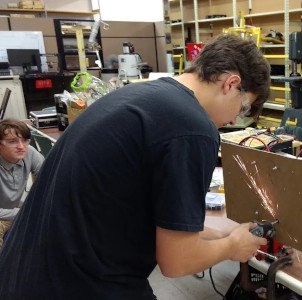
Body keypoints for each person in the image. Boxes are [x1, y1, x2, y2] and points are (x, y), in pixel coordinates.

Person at [0, 34, 271, 299]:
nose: (237, 117)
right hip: (76, 283)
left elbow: (140, 215)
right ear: (231, 84)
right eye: (244, 107)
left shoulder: (142, 95)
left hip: (23, 270)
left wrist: (220, 235)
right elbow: (178, 262)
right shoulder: (193, 128)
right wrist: (233, 247)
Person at [0, 118, 44, 247]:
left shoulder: (29, 152)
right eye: (12, 141)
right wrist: (27, 212)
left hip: (13, 209)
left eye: (25, 140)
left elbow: (49, 179)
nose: (21, 146)